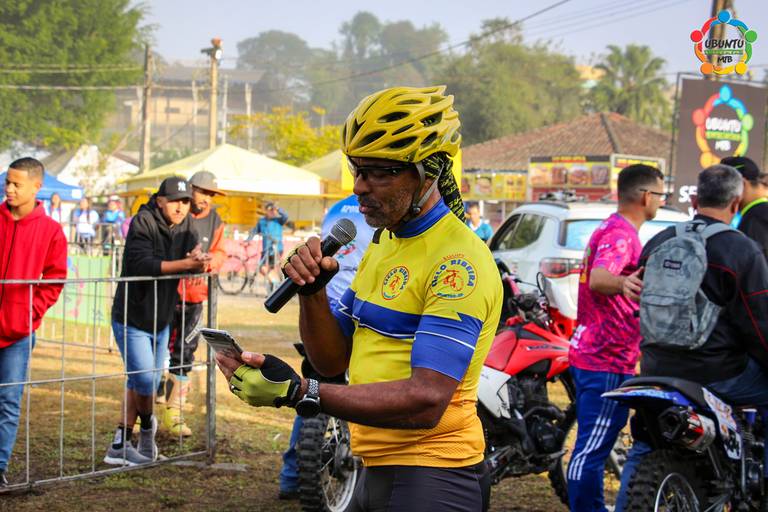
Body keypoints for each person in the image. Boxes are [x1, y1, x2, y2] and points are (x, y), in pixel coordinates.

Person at [216, 85, 501, 511]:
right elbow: (333, 360)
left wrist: (301, 391)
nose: (359, 186)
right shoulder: (386, 242)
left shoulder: (458, 263)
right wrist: (313, 293)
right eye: (356, 169)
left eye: (379, 172)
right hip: (375, 467)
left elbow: (427, 400)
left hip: (434, 473)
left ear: (428, 173)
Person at [616, 164, 768, 510]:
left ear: (695, 199)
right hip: (719, 374)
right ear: (736, 202)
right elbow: (759, 325)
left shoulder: (659, 242)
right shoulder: (741, 251)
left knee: (645, 444)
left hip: (656, 370)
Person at [566, 164, 666, 512]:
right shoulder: (621, 233)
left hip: (600, 354)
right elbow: (599, 278)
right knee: (590, 450)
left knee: (593, 446)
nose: (661, 201)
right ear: (646, 196)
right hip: (604, 357)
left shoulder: (613, 227)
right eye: (661, 195)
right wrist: (624, 283)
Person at [277, 194, 376, 500]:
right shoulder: (379, 213)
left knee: (314, 391)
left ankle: (291, 476)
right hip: (351, 309)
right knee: (323, 390)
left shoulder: (336, 210)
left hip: (327, 303)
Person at [106, 177, 208, 466]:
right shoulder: (143, 222)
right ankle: (148, 432)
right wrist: (186, 265)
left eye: (185, 201)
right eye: (175, 201)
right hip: (132, 317)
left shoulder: (187, 225)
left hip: (162, 319)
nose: (180, 207)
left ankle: (120, 444)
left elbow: (191, 256)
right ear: (160, 200)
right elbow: (142, 264)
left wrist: (198, 260)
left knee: (139, 379)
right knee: (145, 380)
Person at [0, 158, 67, 486]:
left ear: (36, 187)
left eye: (17, 184)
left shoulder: (51, 230)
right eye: (7, 182)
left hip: (18, 333)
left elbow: (55, 278)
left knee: (8, 402)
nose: (9, 189)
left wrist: (30, 312)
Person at [161, 171, 227, 437]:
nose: (207, 198)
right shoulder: (177, 213)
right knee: (157, 351)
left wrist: (210, 262)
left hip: (196, 298)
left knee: (185, 353)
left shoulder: (216, 220)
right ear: (190, 189)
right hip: (167, 294)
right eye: (203, 192)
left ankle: (174, 410)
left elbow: (221, 252)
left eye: (211, 194)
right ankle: (147, 408)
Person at [722, 156, 768, 258]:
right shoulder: (758, 213)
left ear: (742, 183)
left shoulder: (756, 218)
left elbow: (759, 264)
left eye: (724, 187)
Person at [247, 202, 288, 292]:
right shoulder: (262, 221)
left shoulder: (279, 220)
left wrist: (278, 209)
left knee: (267, 268)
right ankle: (274, 284)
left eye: (274, 210)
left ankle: (275, 285)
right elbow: (254, 231)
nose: (273, 211)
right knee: (263, 268)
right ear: (266, 211)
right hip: (266, 250)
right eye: (271, 210)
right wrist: (247, 240)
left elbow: (285, 216)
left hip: (276, 249)